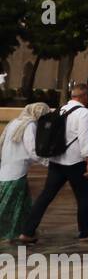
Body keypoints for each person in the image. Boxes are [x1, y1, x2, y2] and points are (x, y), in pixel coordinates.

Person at [21, 83, 88, 243]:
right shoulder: (83, 113)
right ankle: (85, 232)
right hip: (75, 162)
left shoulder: (61, 109)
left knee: (45, 196)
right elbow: (85, 140)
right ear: (84, 96)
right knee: (84, 197)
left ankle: (27, 232)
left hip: (56, 161)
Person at [0, 102, 49, 241]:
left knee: (21, 205)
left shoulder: (14, 122)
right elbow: (32, 150)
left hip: (6, 167)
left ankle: (24, 232)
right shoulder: (30, 126)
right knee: (9, 205)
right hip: (17, 170)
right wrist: (48, 162)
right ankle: (15, 232)